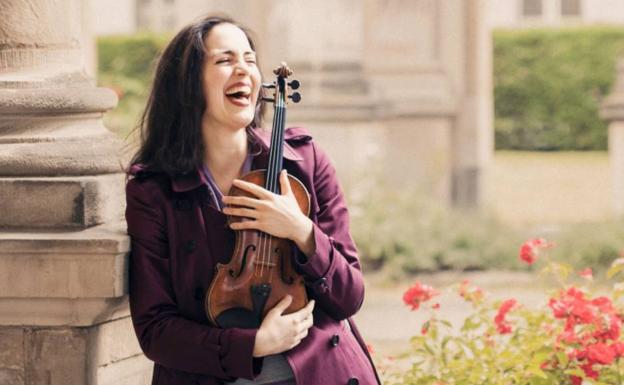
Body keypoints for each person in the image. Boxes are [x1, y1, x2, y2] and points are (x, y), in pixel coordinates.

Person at [125, 15, 380, 385]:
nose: (244, 70)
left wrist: (301, 230)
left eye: (249, 59)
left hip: (317, 372)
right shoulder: (153, 190)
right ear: (187, 83)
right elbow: (155, 330)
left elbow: (349, 296)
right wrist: (254, 344)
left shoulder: (305, 162)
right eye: (225, 60)